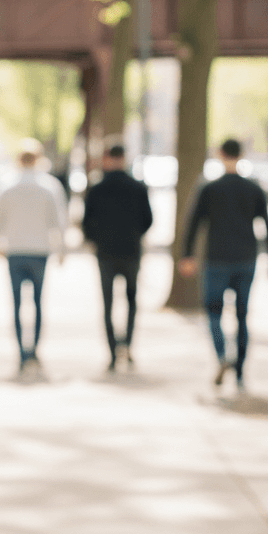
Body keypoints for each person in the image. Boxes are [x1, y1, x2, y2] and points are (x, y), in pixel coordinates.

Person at [179, 138, 268, 391]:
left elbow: (193, 222)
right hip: (246, 259)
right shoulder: (253, 189)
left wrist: (187, 255)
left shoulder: (210, 188)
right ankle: (241, 371)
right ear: (241, 154)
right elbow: (267, 225)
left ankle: (222, 356)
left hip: (216, 260)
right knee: (243, 316)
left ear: (220, 154)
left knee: (213, 313)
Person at [0, 141, 69, 370]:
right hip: (39, 251)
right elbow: (60, 220)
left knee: (16, 303)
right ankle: (34, 349)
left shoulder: (5, 185)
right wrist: (62, 249)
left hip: (14, 250)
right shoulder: (49, 185)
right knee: (38, 302)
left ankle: (21, 352)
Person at [81, 144, 153, 371]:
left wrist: (96, 238)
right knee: (132, 301)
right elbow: (148, 220)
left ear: (106, 159)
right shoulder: (138, 187)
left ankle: (113, 351)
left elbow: (85, 222)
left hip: (106, 254)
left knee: (108, 303)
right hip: (131, 251)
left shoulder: (96, 188)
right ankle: (127, 345)